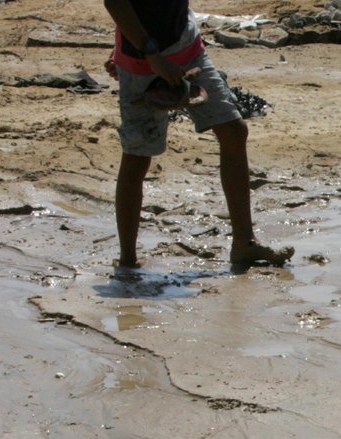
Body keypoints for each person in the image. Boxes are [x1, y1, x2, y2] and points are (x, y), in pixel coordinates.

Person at [102, 0, 293, 269]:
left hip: (189, 52)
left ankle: (244, 244)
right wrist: (151, 55)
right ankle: (127, 262)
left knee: (234, 131)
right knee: (137, 157)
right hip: (140, 66)